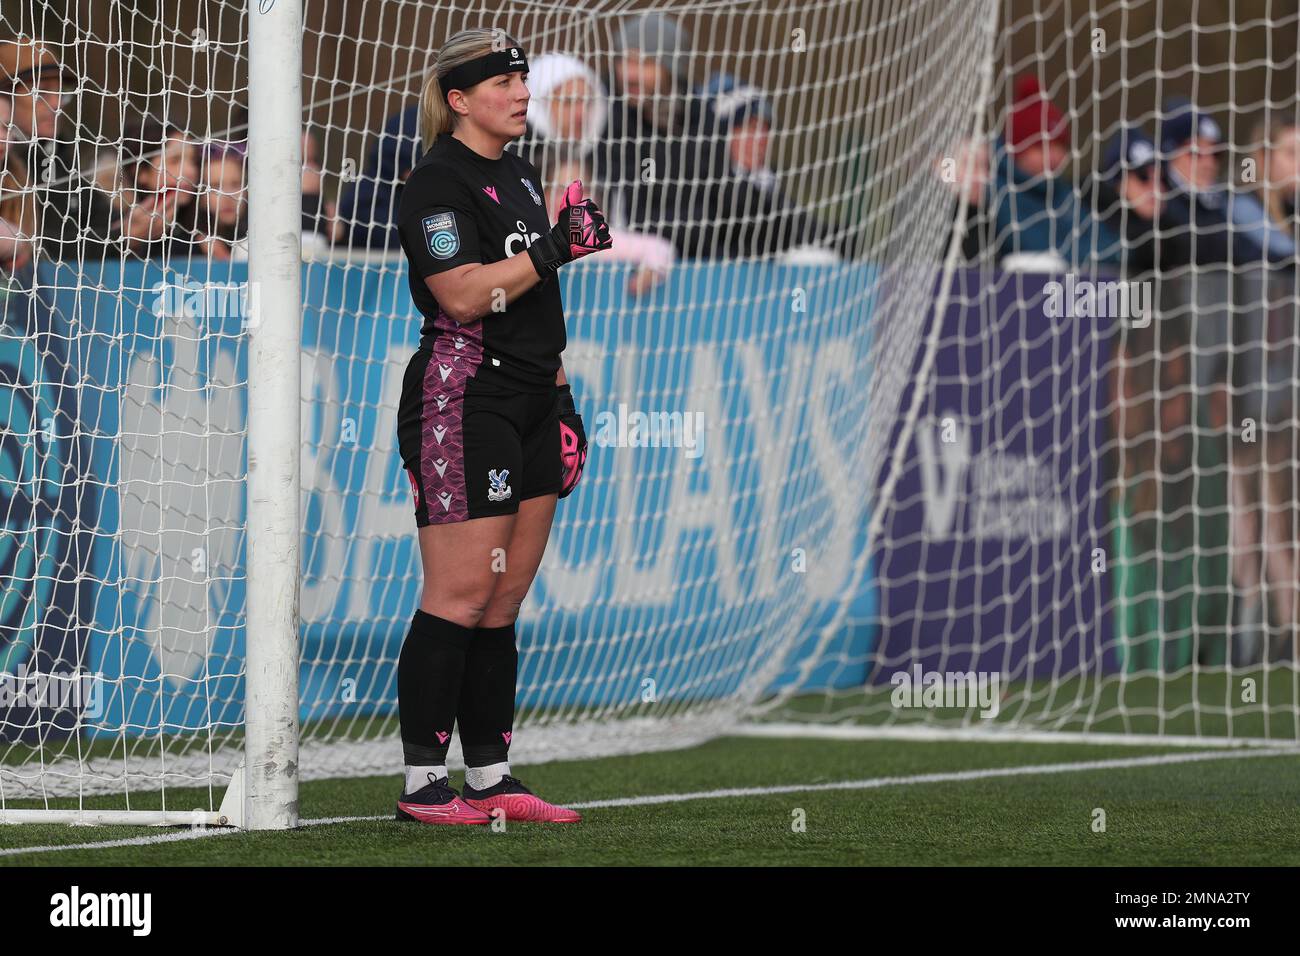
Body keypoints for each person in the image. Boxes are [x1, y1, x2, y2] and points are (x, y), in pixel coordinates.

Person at [391, 28, 611, 825]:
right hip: (463, 400)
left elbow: (537, 305)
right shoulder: (434, 181)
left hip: (530, 402)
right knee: (460, 591)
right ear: (458, 98)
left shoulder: (520, 173)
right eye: (503, 83)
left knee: (505, 599)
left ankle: (490, 777)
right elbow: (459, 295)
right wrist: (558, 246)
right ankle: (422, 783)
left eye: (523, 81)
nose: (523, 94)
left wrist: (564, 405)